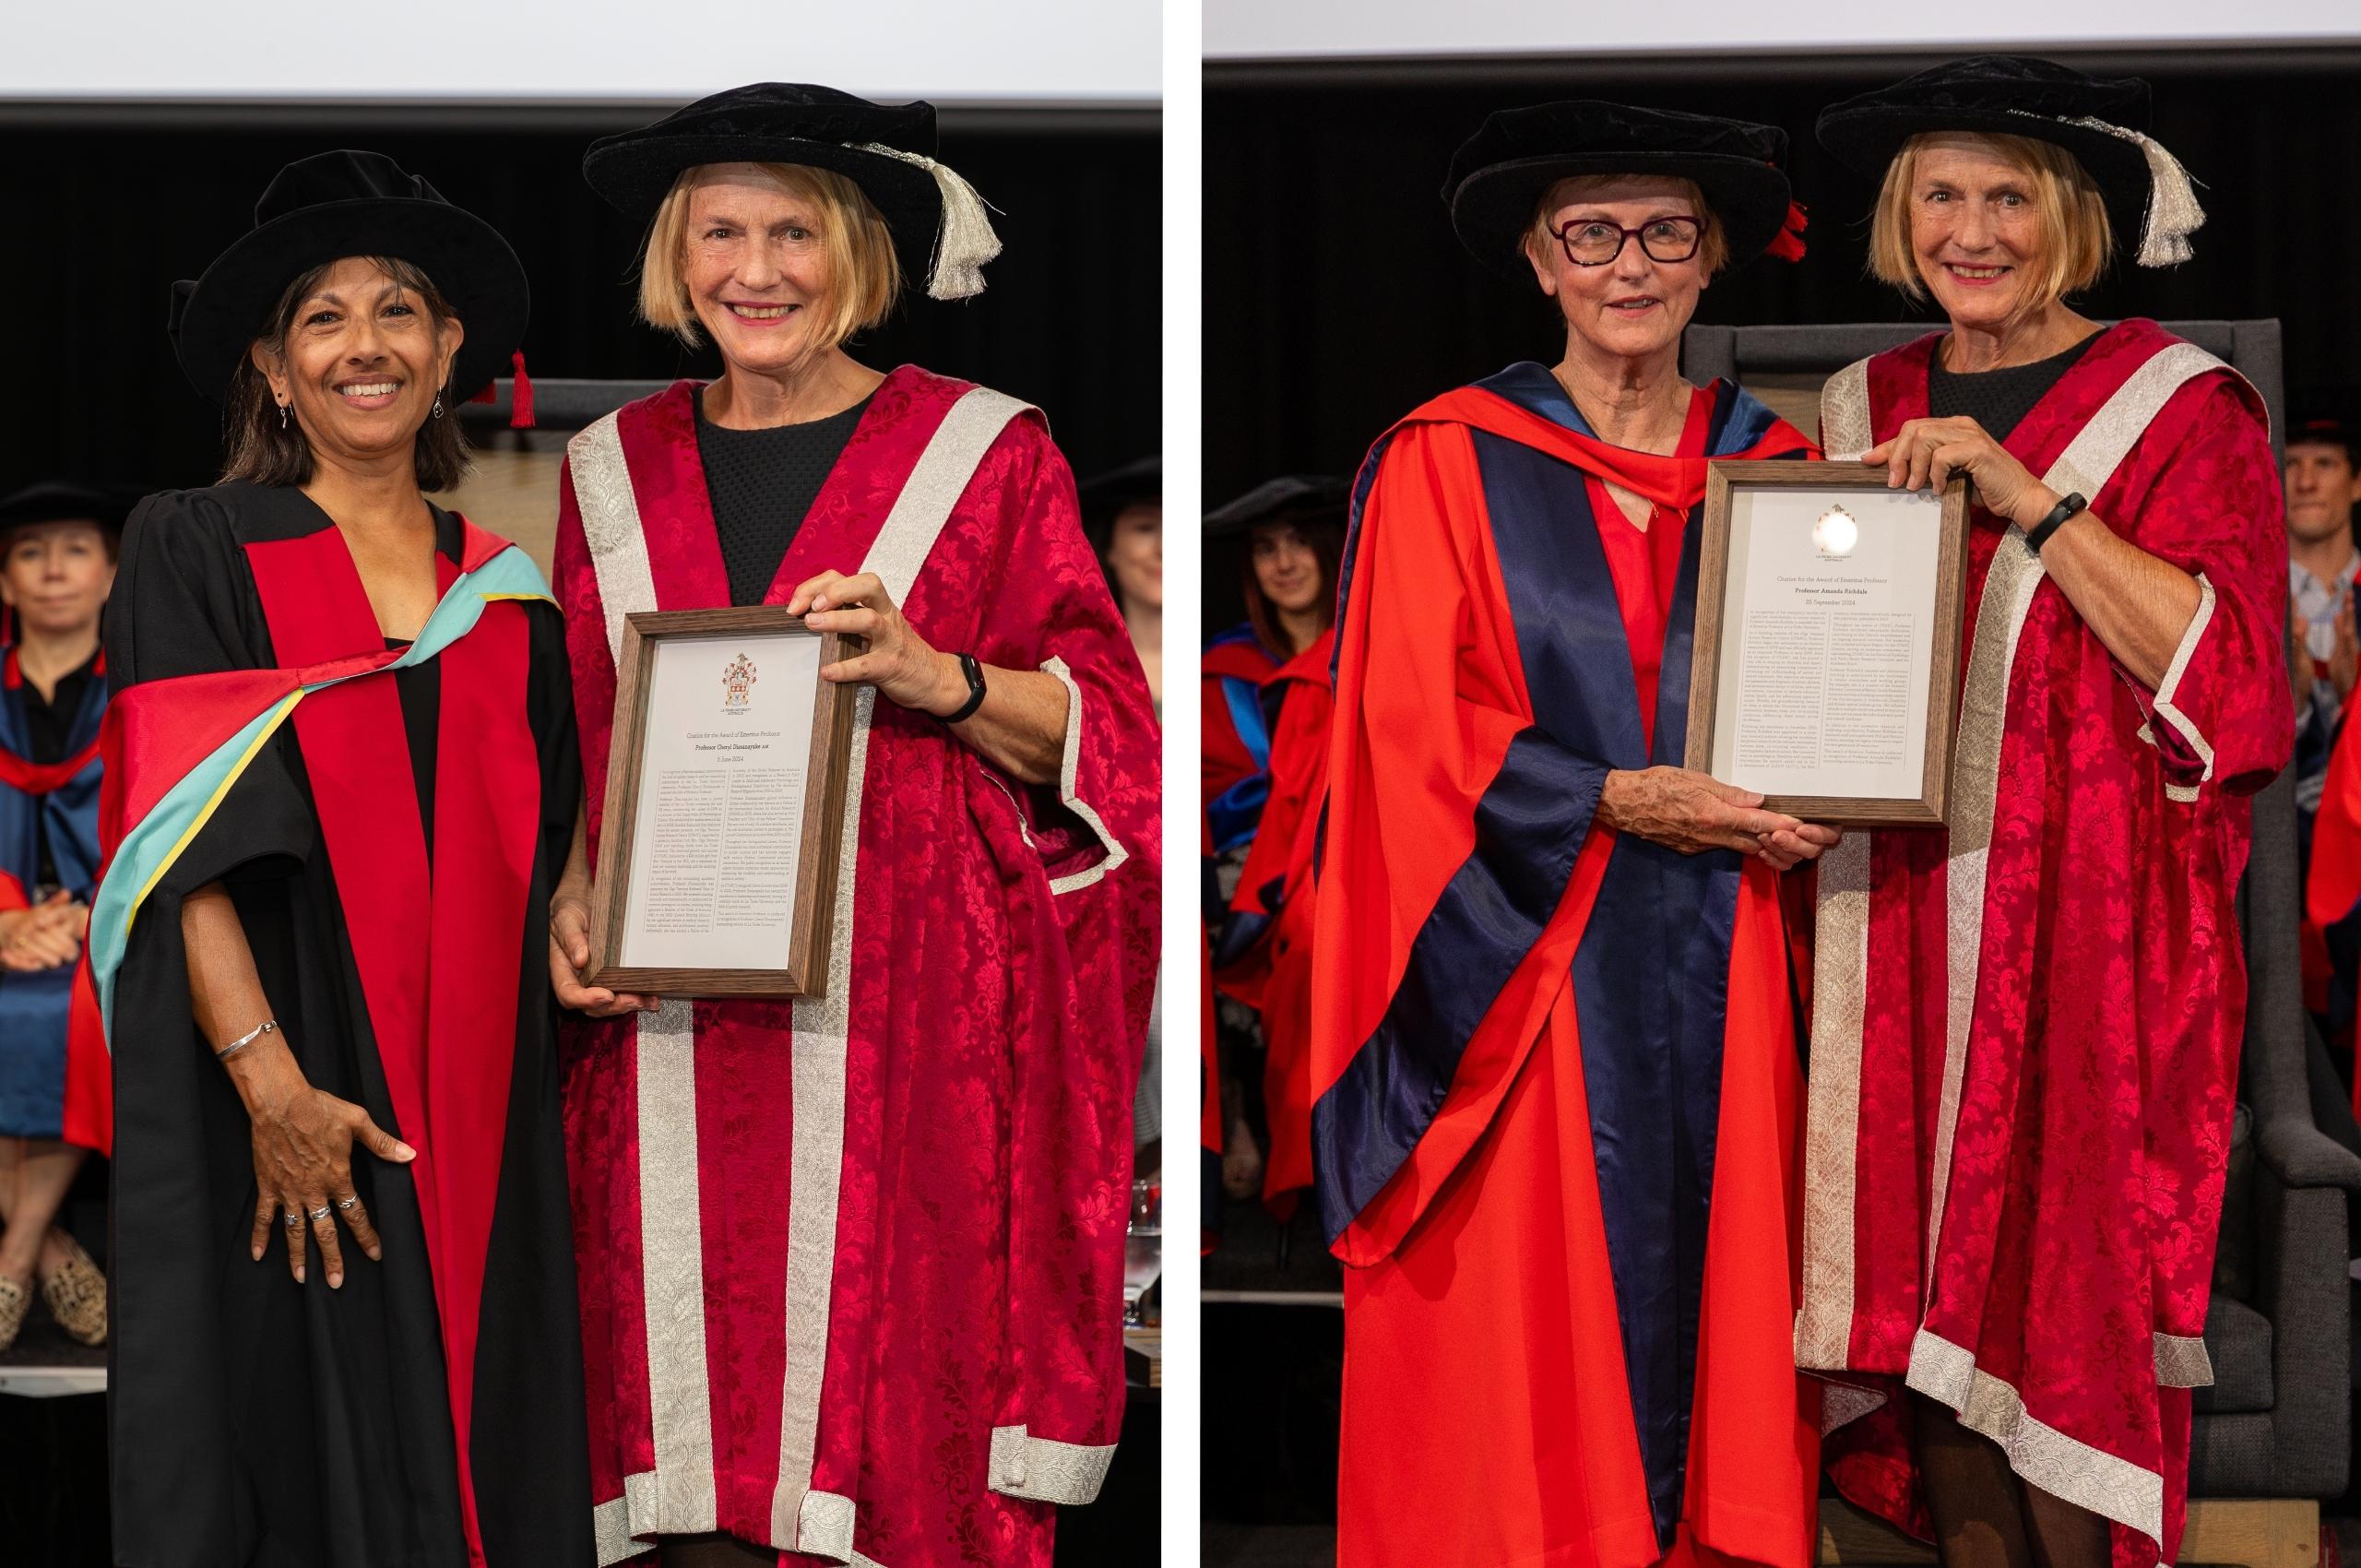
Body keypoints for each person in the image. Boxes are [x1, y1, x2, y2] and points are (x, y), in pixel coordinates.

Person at [549, 83, 1158, 1568]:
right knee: (686, 1458)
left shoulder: (989, 453)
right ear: (675, 262)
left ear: (861, 255)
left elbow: (1114, 745)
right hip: (669, 1017)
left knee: (877, 1450)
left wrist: (936, 675)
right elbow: (585, 737)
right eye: (720, 234)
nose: (753, 269)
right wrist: (574, 893)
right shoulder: (605, 466)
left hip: (902, 1027)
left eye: (792, 234)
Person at [1309, 101, 1827, 1568]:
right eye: (1591, 234)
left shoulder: (1789, 474)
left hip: (1737, 952)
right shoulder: (1444, 459)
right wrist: (1609, 796)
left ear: (1713, 257)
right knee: (1526, 1339)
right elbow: (1407, 725)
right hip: (1525, 971)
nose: (1630, 265)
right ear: (1541, 262)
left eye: (1667, 232)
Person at [1797, 57, 2291, 1568]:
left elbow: (2235, 680)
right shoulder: (1855, 402)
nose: (1973, 227)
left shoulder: (2185, 407)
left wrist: (2036, 501)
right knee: (1920, 1322)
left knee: (2061, 1314)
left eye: (2009, 191)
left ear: (2072, 216)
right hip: (1884, 933)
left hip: (2091, 933)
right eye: (1939, 192)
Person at [92, 149, 592, 1565]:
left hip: (482, 1092)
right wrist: (269, 1085)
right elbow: (169, 850)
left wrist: (583, 909)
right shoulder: (196, 547)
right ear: (270, 363)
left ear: (447, 354)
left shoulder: (506, 590)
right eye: (323, 316)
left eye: (397, 311)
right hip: (289, 1075)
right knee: (299, 1449)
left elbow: (552, 839)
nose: (364, 345)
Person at [0, 481, 131, 1351]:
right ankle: (47, 1253)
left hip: (105, 932)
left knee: (61, 1008)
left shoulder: (141, 689)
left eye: (76, 549)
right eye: (30, 552)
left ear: (113, 574)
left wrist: (91, 918)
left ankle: (8, 1259)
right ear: (5, 582)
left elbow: (158, 821)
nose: (53, 571)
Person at [1207, 478, 1346, 1218]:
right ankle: (1229, 1109)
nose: (1284, 563)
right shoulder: (1221, 671)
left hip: (1340, 860)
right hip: (1236, 872)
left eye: (1297, 543)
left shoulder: (1369, 652)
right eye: (1265, 548)